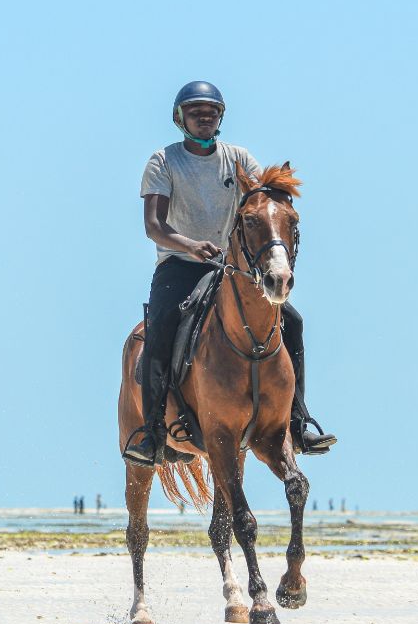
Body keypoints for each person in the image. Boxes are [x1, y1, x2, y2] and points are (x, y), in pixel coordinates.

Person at [122, 80, 336, 467]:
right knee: (160, 328)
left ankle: (297, 421)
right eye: (195, 112)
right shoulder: (163, 161)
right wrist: (191, 246)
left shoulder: (238, 158)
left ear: (221, 118)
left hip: (231, 269)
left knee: (294, 321)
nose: (204, 118)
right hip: (179, 266)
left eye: (212, 112)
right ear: (179, 118)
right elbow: (153, 225)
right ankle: (152, 432)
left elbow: (262, 198)